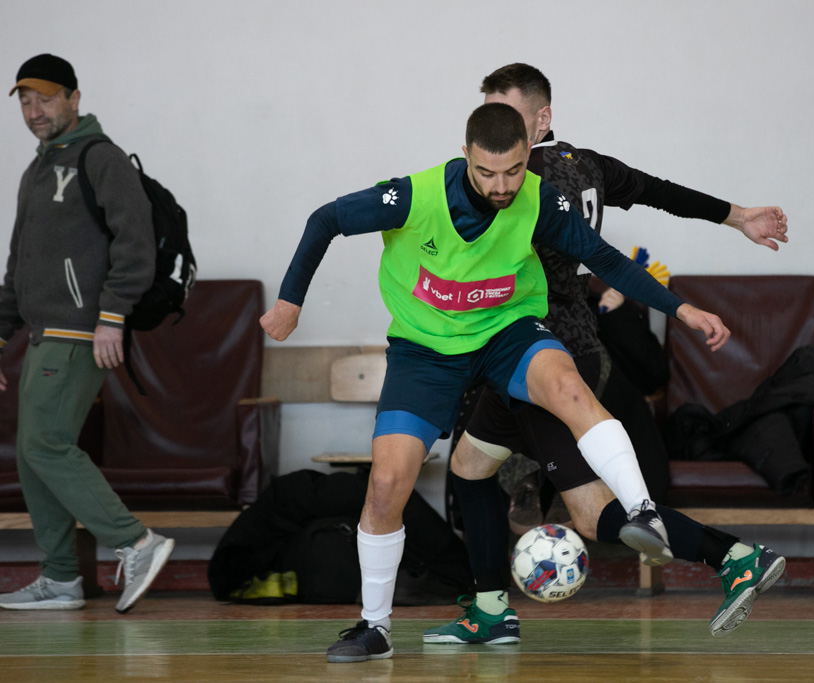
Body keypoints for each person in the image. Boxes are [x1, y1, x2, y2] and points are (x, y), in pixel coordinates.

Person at [260, 102, 732, 663]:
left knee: (570, 389)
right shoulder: (413, 196)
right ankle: (375, 627)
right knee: (386, 485)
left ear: (527, 154)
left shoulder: (540, 200)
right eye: (487, 172)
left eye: (513, 170)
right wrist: (289, 302)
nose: (502, 185)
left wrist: (682, 310)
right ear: (466, 156)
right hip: (425, 351)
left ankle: (642, 511)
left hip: (507, 332)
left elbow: (607, 260)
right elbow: (325, 219)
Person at [423, 63, 788, 645]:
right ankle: (490, 611)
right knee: (470, 466)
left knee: (593, 516)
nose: (495, 136)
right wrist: (738, 216)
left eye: (507, 117)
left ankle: (735, 557)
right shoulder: (587, 165)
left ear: (542, 119)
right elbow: (661, 193)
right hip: (566, 348)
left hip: (539, 357)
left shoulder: (519, 183)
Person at [0, 54, 175, 614]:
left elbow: (135, 245)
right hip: (42, 331)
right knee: (33, 454)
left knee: (44, 445)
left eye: (46, 98)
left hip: (80, 330)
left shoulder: (100, 158)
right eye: (25, 101)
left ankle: (137, 543)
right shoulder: (36, 170)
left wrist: (112, 317)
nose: (34, 111)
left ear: (74, 99)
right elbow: (19, 265)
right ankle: (60, 577)